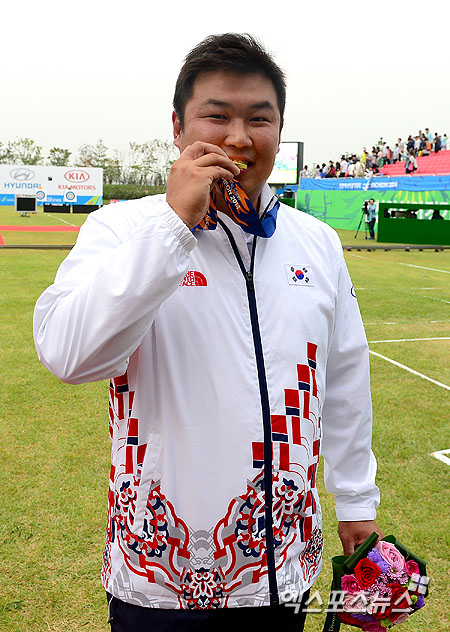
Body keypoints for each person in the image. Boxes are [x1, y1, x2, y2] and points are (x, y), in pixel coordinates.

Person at [33, 33, 381, 632]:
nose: (239, 138)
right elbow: (68, 352)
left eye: (259, 119)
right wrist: (172, 227)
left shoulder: (315, 243)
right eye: (215, 116)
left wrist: (355, 501)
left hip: (283, 574)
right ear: (177, 126)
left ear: (280, 130)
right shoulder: (121, 229)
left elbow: (344, 377)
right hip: (159, 582)